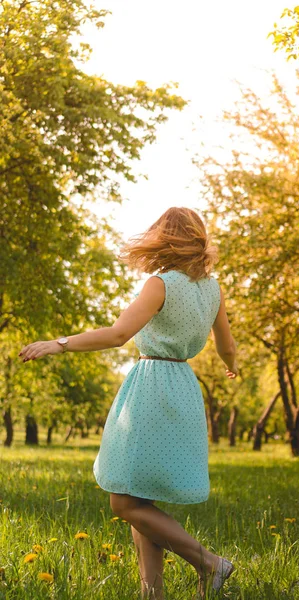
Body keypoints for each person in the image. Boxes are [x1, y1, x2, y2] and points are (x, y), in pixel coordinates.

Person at [18, 206, 239, 600]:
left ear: (163, 238)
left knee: (123, 502)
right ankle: (151, 593)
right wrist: (232, 366)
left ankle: (210, 563)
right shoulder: (213, 288)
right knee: (140, 497)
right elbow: (226, 345)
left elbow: (119, 334)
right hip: (185, 387)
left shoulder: (161, 284)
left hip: (153, 385)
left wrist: (61, 344)